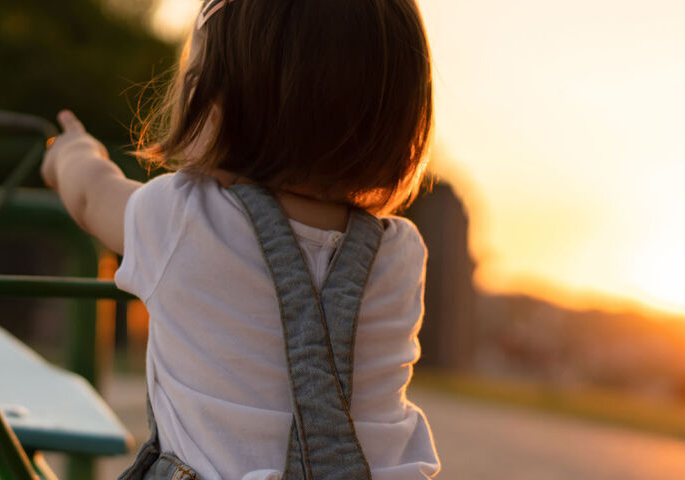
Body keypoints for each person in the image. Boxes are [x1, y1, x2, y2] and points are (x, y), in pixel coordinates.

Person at [39, 0, 440, 477]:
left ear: (221, 101)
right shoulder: (400, 254)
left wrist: (72, 152)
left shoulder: (186, 218)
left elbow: (90, 196)